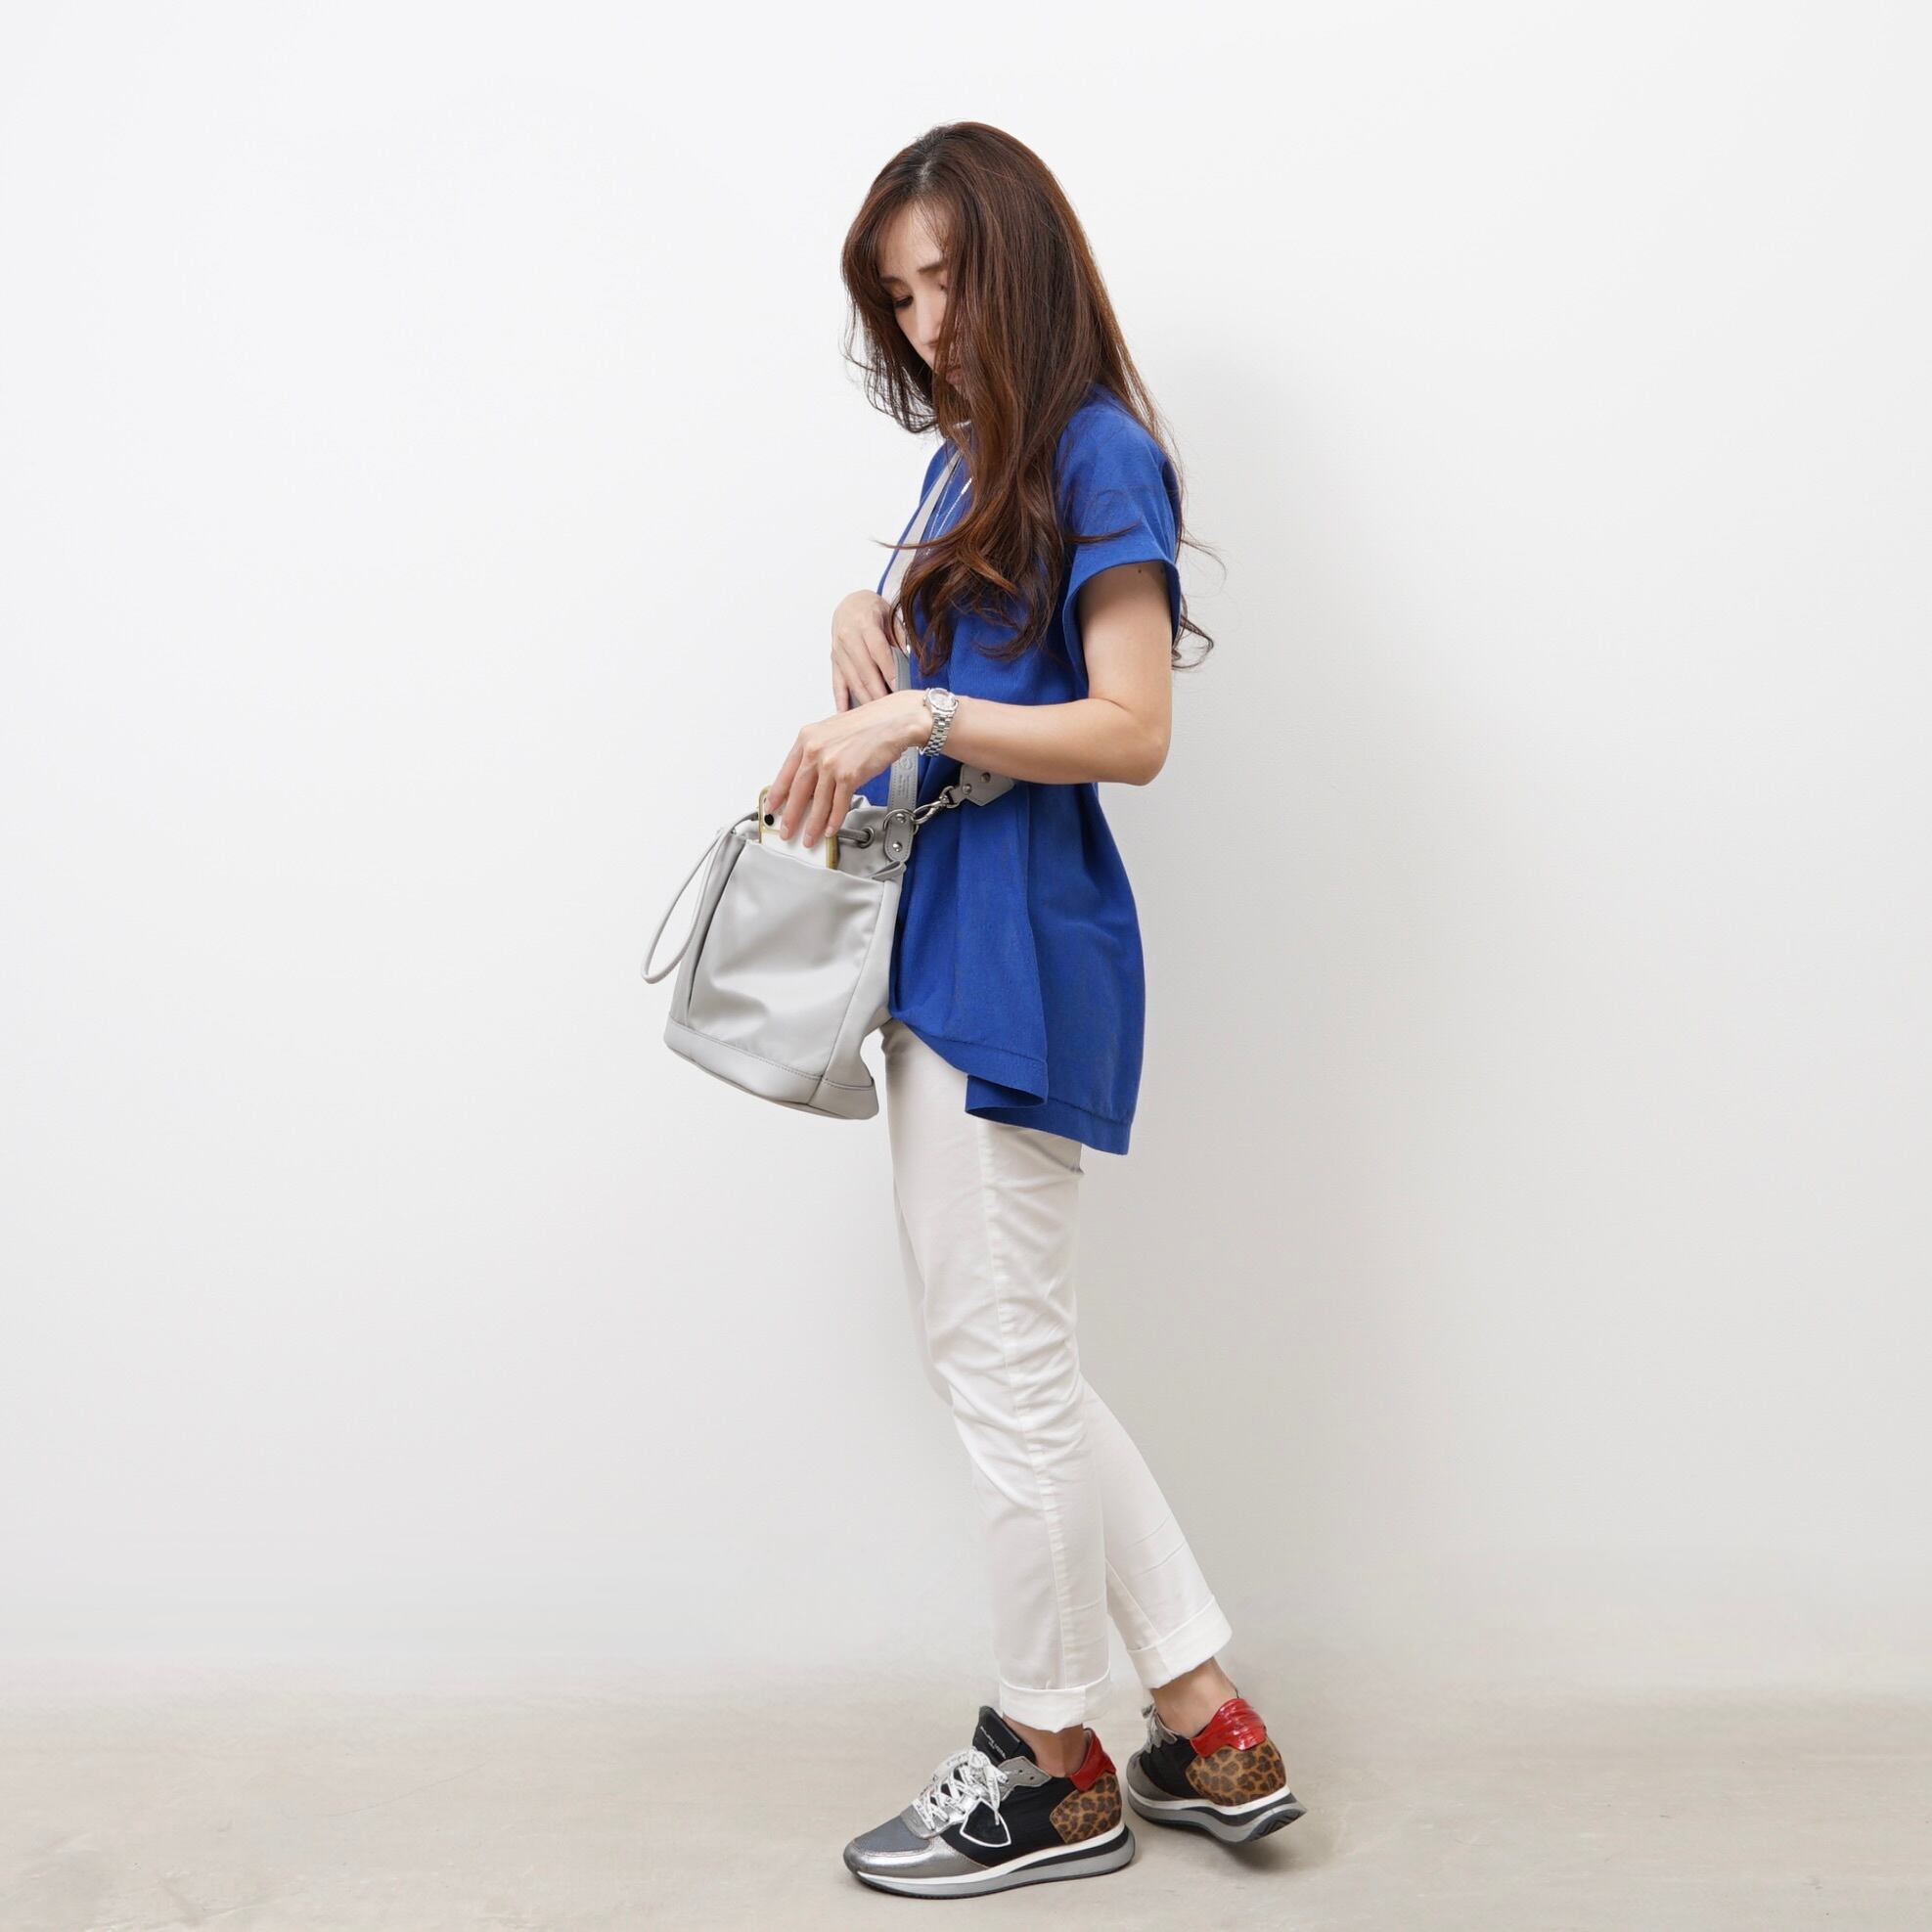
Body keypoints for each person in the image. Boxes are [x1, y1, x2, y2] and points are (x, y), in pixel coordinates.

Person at [763, 122, 1304, 1900]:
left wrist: (914, 716)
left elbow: (1132, 726)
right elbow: (961, 657)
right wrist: (868, 611)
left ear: (1021, 261)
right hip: (950, 951)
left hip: (1018, 957)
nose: (927, 322)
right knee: (1018, 1363)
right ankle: (1206, 1722)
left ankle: (1049, 1756)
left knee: (1001, 1377)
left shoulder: (1090, 448)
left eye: (948, 279)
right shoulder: (972, 461)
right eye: (900, 295)